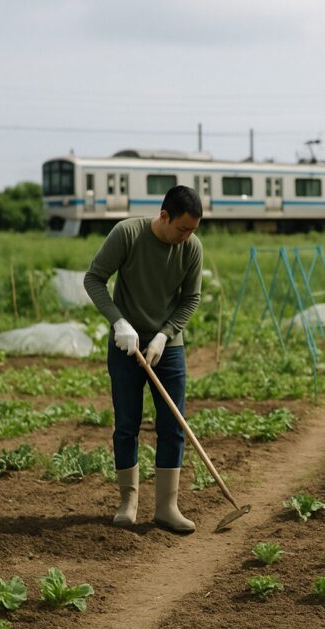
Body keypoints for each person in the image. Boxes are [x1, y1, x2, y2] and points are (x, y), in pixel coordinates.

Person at [84, 185, 204, 534]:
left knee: (173, 424)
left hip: (169, 347)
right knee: (127, 423)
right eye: (182, 229)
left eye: (193, 230)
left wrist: (166, 334)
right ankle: (128, 500)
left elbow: (191, 299)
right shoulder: (128, 233)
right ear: (163, 216)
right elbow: (94, 279)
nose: (186, 237)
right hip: (126, 345)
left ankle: (167, 507)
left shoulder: (191, 248)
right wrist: (119, 321)